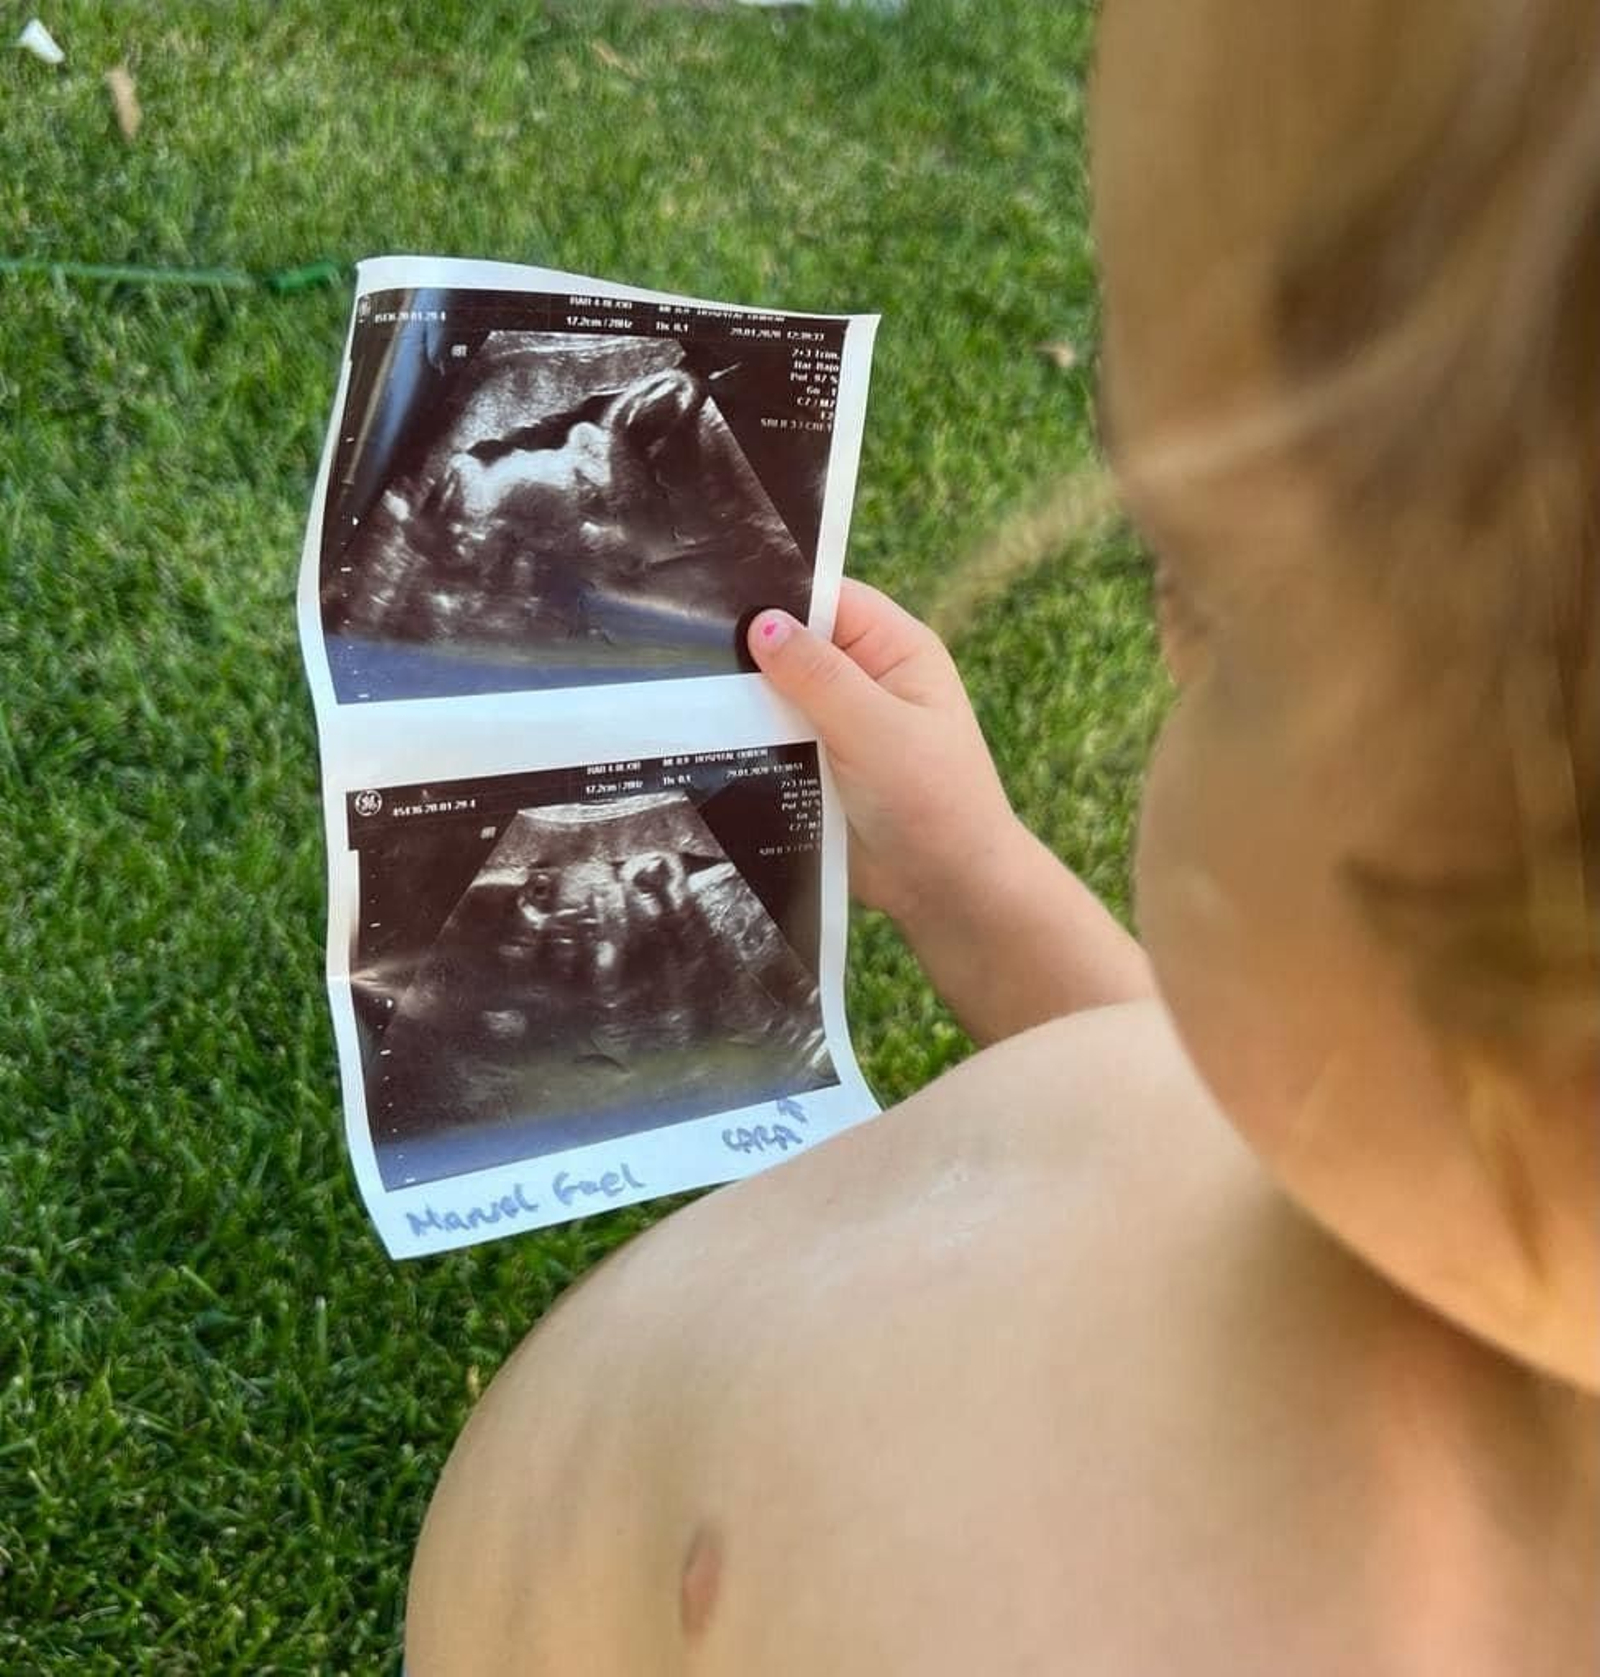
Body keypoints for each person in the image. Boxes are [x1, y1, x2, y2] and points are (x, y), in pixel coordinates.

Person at [404, 0, 1599, 1668]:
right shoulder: (1424, 1148)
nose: (1173, 651)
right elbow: (1193, 1080)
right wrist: (971, 874)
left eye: (1221, 619)